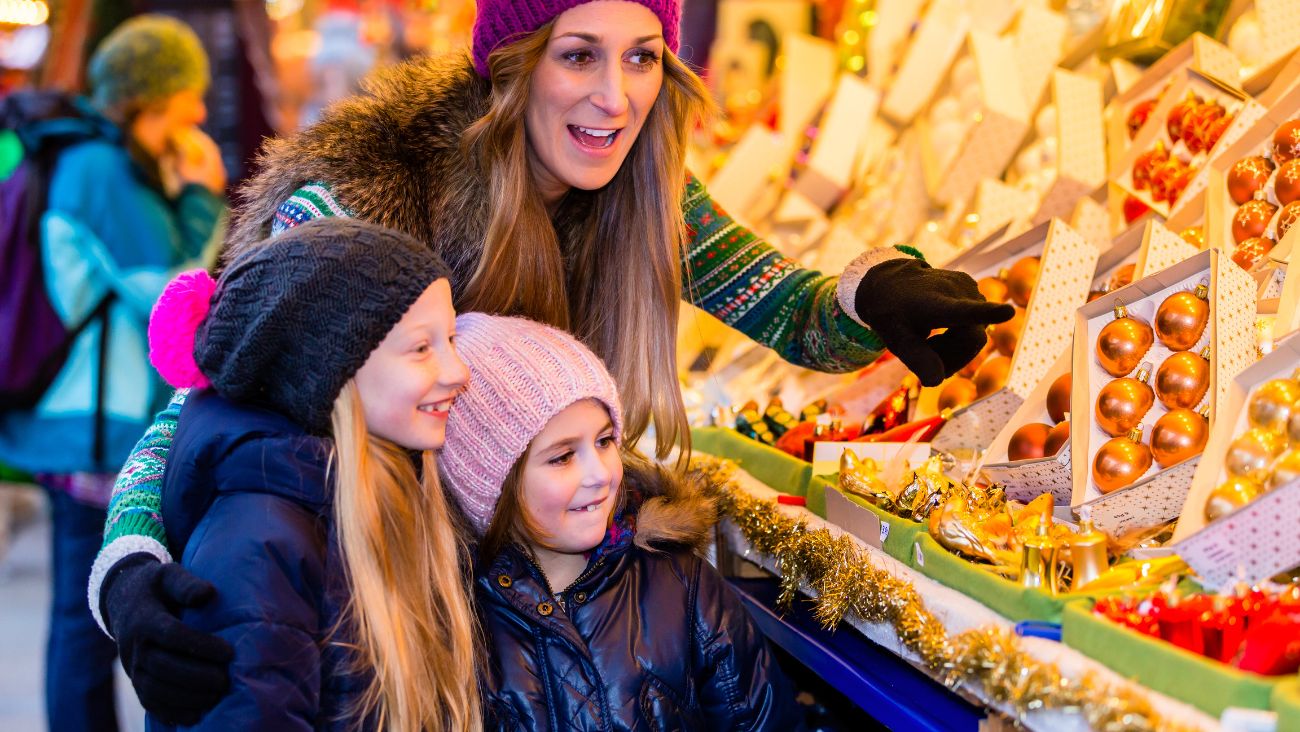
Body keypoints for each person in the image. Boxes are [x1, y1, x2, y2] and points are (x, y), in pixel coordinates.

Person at [91, 0, 1013, 719]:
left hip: (515, 627)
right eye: (579, 55)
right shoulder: (372, 191)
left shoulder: (642, 185)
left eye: (643, 56)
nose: (615, 96)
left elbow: (784, 306)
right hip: (375, 630)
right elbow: (200, 398)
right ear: (514, 63)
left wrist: (873, 299)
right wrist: (130, 566)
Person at [142, 218, 481, 730]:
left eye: (451, 338)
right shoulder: (259, 547)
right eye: (422, 347)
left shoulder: (374, 490)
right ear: (327, 366)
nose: (459, 371)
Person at [0, 15, 226, 731]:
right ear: (153, 95)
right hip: (93, 423)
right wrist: (200, 192)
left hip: (83, 417)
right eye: (190, 93)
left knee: (82, 611)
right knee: (86, 615)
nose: (199, 109)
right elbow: (165, 290)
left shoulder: (96, 157)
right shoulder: (101, 167)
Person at [440, 313, 802, 730]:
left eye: (604, 440)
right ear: (490, 482)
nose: (601, 474)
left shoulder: (681, 584)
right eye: (562, 456)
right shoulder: (458, 619)